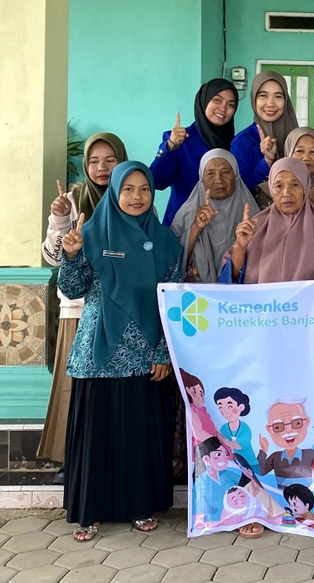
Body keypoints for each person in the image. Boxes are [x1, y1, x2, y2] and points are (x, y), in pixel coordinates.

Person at [58, 161, 182, 542]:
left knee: (138, 435)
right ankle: (90, 512)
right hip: (98, 353)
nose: (136, 196)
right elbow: (73, 288)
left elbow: (172, 302)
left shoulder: (166, 242)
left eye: (144, 189)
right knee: (97, 437)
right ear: (115, 192)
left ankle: (140, 506)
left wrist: (163, 352)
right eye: (128, 189)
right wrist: (71, 255)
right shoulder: (90, 234)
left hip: (145, 354)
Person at [39, 132, 127, 483]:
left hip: (119, 312)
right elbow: (52, 257)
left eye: (110, 160)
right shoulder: (72, 202)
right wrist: (59, 221)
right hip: (78, 310)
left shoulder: (132, 198)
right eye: (94, 161)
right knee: (71, 387)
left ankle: (106, 458)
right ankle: (69, 457)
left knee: (110, 392)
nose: (102, 167)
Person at [221, 157, 314, 285]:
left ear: (305, 188)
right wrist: (240, 248)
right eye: (278, 186)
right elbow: (228, 280)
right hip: (260, 302)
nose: (286, 193)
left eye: (295, 185)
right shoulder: (255, 226)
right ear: (271, 190)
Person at [151, 79, 249, 226]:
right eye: (217, 100)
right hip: (183, 225)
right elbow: (156, 181)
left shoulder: (236, 144)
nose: (223, 108)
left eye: (231, 105)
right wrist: (170, 146)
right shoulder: (181, 140)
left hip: (223, 228)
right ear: (204, 101)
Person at [170, 149, 260, 283]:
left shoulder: (253, 214)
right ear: (202, 178)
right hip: (199, 295)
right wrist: (195, 228)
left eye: (226, 172)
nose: (218, 179)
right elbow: (171, 260)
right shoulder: (188, 214)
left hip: (242, 293)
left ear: (236, 176)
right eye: (210, 173)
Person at [230, 72, 298, 198]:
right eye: (263, 96)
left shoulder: (296, 137)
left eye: (278, 96)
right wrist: (266, 161)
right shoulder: (241, 143)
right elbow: (240, 192)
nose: (270, 103)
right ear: (254, 99)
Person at [254, 127, 314, 211]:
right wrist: (306, 199)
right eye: (299, 151)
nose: (306, 157)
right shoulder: (267, 191)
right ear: (288, 153)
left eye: (313, 152)